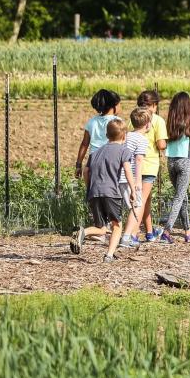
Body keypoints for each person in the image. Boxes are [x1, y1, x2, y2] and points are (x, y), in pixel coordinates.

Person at [71, 118, 138, 262]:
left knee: (101, 228)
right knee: (117, 225)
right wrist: (133, 190)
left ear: (107, 135)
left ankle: (84, 232)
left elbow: (86, 171)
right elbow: (127, 170)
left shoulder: (95, 153)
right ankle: (109, 256)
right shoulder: (124, 151)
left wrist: (90, 188)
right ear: (124, 136)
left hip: (94, 192)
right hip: (111, 192)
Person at [160, 91, 190, 244]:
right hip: (185, 161)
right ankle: (167, 231)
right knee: (179, 197)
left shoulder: (169, 123)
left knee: (182, 197)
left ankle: (188, 232)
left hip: (171, 161)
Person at [135, 90, 169, 242]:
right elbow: (161, 145)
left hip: (135, 164)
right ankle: (133, 233)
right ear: (154, 105)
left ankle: (149, 232)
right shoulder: (157, 120)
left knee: (145, 199)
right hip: (149, 165)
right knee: (141, 200)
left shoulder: (133, 118)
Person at [75, 89, 121, 186]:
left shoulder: (91, 122)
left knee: (94, 189)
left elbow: (84, 144)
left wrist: (78, 165)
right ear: (114, 106)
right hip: (112, 159)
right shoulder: (117, 122)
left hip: (93, 160)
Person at [119, 108, 151, 247]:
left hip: (118, 176)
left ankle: (121, 234)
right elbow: (138, 160)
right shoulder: (142, 139)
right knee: (137, 205)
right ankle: (126, 237)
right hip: (129, 178)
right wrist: (138, 181)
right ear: (148, 124)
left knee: (124, 207)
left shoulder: (126, 136)